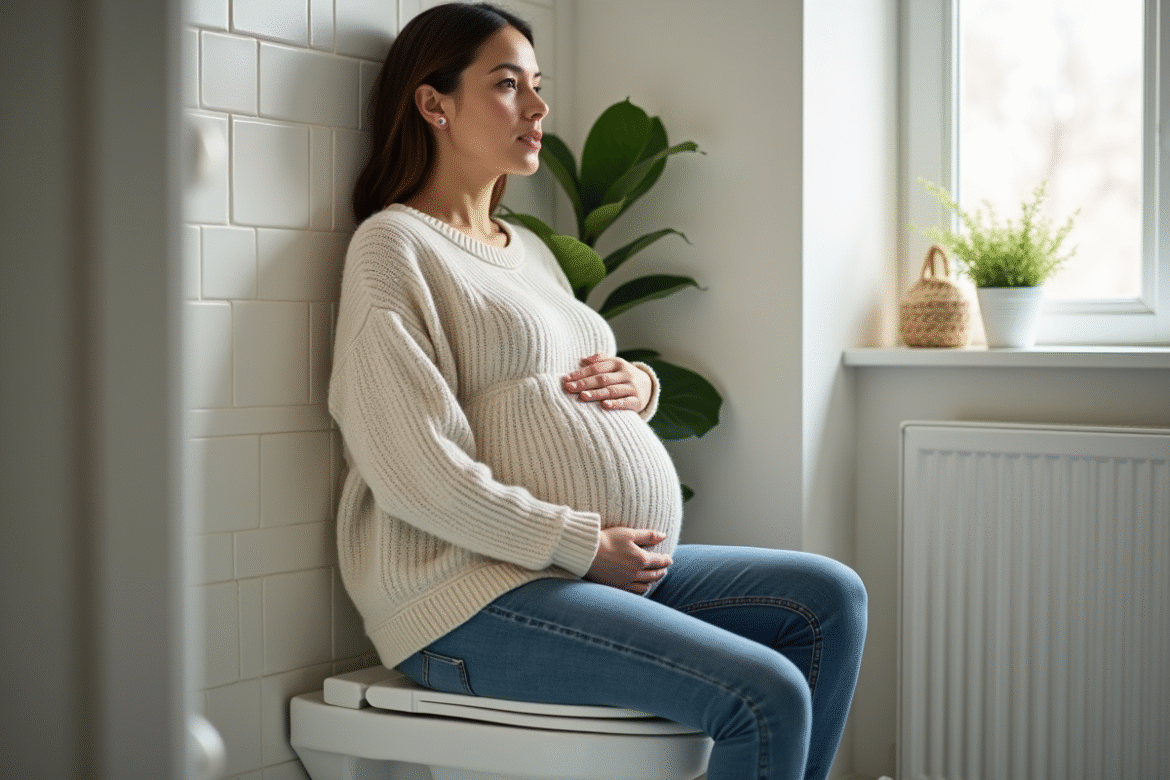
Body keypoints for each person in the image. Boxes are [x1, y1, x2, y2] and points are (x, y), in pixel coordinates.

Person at [329, 4, 867, 779]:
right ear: (433, 102)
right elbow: (417, 471)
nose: (539, 108)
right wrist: (579, 545)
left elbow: (575, 374)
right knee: (763, 692)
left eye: (537, 86)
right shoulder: (394, 247)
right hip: (468, 599)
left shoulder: (532, 252)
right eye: (508, 85)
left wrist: (639, 386)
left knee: (829, 599)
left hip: (575, 574)